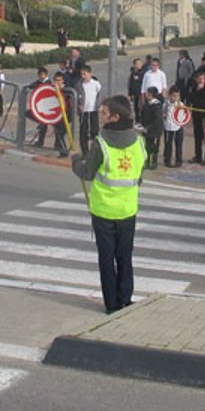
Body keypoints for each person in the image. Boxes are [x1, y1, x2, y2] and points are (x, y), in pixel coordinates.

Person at [72, 95, 146, 314]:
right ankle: (125, 298)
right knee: (125, 256)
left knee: (106, 259)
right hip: (127, 210)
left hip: (103, 210)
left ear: (115, 117)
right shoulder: (139, 142)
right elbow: (138, 177)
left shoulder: (101, 143)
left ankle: (112, 304)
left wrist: (75, 159)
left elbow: (87, 171)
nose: (100, 116)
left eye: (104, 113)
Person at [186, 68, 205, 165]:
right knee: (198, 136)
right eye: (199, 78)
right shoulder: (194, 88)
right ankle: (198, 155)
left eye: (202, 78)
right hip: (197, 116)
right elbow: (190, 99)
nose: (200, 80)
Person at [77, 64, 102, 152]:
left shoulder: (96, 84)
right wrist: (79, 106)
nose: (83, 76)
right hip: (84, 111)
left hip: (93, 110)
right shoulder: (79, 85)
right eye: (82, 74)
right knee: (83, 130)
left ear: (90, 73)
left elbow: (99, 95)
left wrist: (99, 105)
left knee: (95, 130)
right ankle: (85, 151)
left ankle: (95, 150)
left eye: (85, 74)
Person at [139, 86, 164, 169]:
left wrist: (149, 127)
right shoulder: (147, 104)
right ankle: (147, 161)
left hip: (155, 131)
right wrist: (141, 125)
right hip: (147, 130)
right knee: (147, 146)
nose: (146, 94)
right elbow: (142, 116)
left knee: (154, 147)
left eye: (147, 93)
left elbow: (157, 120)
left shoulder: (156, 106)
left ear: (151, 94)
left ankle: (154, 162)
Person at [163, 85, 185, 167]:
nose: (176, 98)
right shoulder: (166, 104)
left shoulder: (181, 104)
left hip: (178, 127)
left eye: (177, 96)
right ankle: (167, 160)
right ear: (169, 95)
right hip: (168, 128)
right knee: (168, 145)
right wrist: (164, 115)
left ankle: (179, 160)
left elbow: (184, 116)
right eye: (174, 96)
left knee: (179, 145)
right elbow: (163, 113)